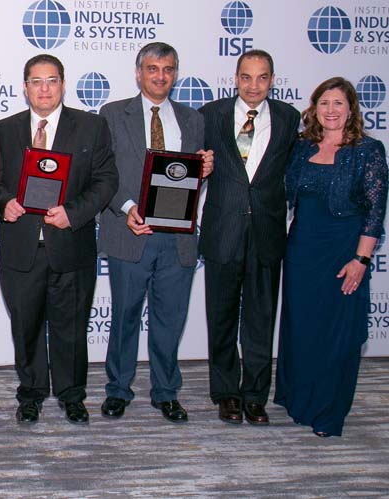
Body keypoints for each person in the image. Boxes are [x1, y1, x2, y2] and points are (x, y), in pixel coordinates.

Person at [0, 54, 117, 425]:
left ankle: (72, 395)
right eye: (36, 81)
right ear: (25, 87)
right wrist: (4, 203)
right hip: (22, 247)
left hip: (71, 244)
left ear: (63, 84)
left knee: (72, 328)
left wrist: (74, 213)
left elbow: (106, 181)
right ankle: (30, 394)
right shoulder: (3, 130)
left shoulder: (92, 127)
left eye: (51, 80)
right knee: (26, 328)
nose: (44, 89)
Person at [97, 42, 213, 423]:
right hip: (130, 232)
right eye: (152, 69)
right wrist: (128, 209)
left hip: (177, 239)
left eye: (167, 69)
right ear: (138, 73)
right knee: (125, 317)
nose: (160, 76)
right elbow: (104, 174)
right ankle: (118, 389)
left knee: (170, 320)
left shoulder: (193, 120)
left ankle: (166, 392)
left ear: (175, 74)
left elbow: (189, 178)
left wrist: (204, 170)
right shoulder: (113, 114)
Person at [276, 77, 387, 437]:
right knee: (303, 328)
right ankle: (300, 400)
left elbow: (374, 212)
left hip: (344, 251)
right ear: (314, 108)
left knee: (337, 332)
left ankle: (328, 411)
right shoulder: (301, 147)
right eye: (324, 103)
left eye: (338, 103)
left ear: (351, 108)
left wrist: (361, 260)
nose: (331, 110)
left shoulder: (368, 150)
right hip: (302, 250)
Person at [198, 50, 300, 426]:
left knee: (261, 320)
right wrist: (200, 167)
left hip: (268, 234)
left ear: (272, 79)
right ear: (235, 78)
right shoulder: (211, 114)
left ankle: (255, 395)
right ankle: (226, 393)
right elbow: (192, 166)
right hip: (222, 231)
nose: (253, 85)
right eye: (246, 77)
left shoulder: (290, 119)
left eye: (261, 77)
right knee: (221, 318)